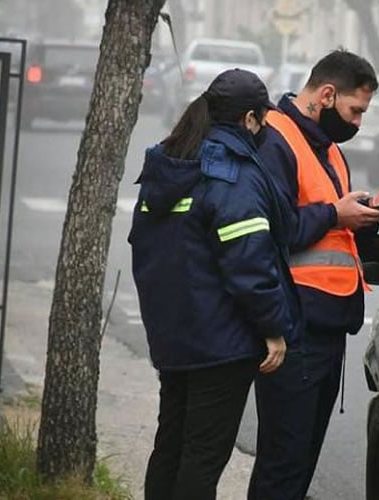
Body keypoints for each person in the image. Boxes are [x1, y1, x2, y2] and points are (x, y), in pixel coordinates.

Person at [249, 49, 379, 500]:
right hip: (292, 329)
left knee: (300, 464)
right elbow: (270, 231)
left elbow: (335, 233)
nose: (359, 122)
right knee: (282, 466)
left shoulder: (328, 149)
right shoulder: (277, 139)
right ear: (326, 94)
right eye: (355, 110)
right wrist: (336, 215)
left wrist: (372, 210)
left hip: (326, 327)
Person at [129, 68, 302, 500]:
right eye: (262, 119)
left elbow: (147, 248)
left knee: (170, 447)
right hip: (220, 343)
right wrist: (272, 329)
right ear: (249, 119)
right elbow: (249, 264)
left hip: (175, 335)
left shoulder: (171, 160)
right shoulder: (232, 173)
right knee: (203, 457)